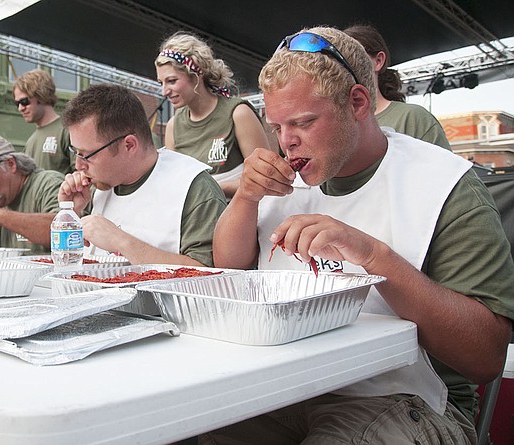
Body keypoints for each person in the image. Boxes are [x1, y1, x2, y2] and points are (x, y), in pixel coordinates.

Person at [207, 26, 514, 444]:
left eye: (303, 122)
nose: (286, 142)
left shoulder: (444, 184)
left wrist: (373, 256)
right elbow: (229, 269)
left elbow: (485, 357)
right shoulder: (282, 180)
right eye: (277, 126)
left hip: (408, 399)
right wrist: (245, 198)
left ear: (357, 103)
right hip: (286, 382)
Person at [57, 84, 227, 266]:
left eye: (86, 154)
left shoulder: (194, 188)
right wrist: (70, 214)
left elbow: (208, 274)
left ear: (129, 145)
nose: (78, 165)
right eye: (76, 152)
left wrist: (122, 242)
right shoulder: (96, 187)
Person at [155, 31, 271, 199]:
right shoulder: (174, 126)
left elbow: (266, 178)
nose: (164, 91)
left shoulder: (237, 113)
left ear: (196, 76)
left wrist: (211, 187)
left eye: (172, 81)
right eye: (161, 83)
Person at [344, 24, 452, 150]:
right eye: (339, 58)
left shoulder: (413, 118)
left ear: (378, 61)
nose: (346, 65)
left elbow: (449, 168)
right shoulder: (336, 124)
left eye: (355, 56)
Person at [12, 69, 73, 174]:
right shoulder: (30, 142)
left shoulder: (67, 131)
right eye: (17, 103)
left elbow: (82, 174)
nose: (20, 108)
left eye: (24, 102)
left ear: (41, 96)